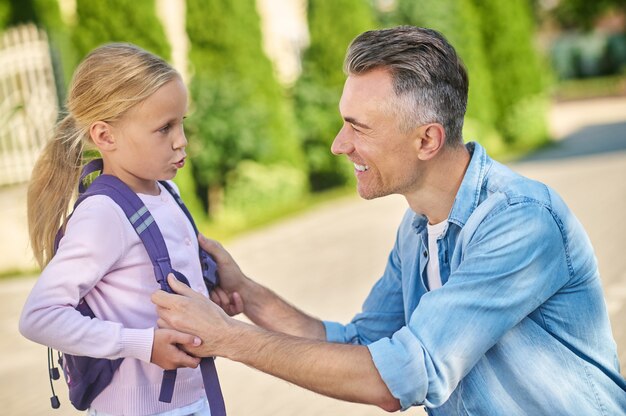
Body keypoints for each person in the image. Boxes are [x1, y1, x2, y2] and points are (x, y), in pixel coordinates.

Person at [152, 26, 626, 415]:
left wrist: (228, 339)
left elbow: (400, 377)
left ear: (427, 140)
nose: (339, 145)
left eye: (359, 127)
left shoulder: (519, 223)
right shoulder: (418, 227)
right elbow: (361, 345)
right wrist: (247, 295)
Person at [19, 43, 217, 416]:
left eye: (181, 123)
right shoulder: (104, 214)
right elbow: (39, 316)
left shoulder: (166, 192)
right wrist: (143, 344)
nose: (181, 140)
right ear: (105, 137)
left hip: (193, 401)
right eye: (164, 128)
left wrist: (212, 298)